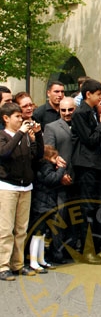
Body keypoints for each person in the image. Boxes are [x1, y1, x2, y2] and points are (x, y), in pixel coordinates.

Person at [0, 102, 44, 281]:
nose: (22, 119)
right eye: (17, 116)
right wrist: (20, 133)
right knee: (5, 229)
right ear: (6, 118)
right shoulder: (3, 135)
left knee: (21, 229)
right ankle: (3, 265)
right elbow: (4, 153)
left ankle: (17, 264)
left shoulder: (25, 136)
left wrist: (38, 135)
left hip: (26, 186)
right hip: (7, 186)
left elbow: (37, 155)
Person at [70, 78, 101, 262]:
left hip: (98, 165)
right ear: (88, 94)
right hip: (86, 164)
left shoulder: (94, 111)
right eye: (98, 94)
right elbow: (90, 139)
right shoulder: (80, 113)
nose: (100, 98)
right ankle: (86, 250)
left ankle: (97, 246)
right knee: (87, 208)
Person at [43, 97, 76, 263]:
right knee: (60, 217)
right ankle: (57, 253)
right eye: (63, 110)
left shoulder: (80, 126)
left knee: (75, 216)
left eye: (70, 110)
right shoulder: (51, 127)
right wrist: (61, 174)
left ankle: (71, 250)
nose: (67, 113)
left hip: (79, 179)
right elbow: (50, 154)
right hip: (61, 179)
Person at [30, 145, 67, 273]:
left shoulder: (45, 167)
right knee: (37, 233)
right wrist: (61, 169)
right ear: (48, 157)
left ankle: (40, 259)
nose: (57, 159)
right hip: (42, 204)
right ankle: (34, 261)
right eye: (55, 157)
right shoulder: (45, 167)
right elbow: (52, 179)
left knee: (42, 233)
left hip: (45, 203)